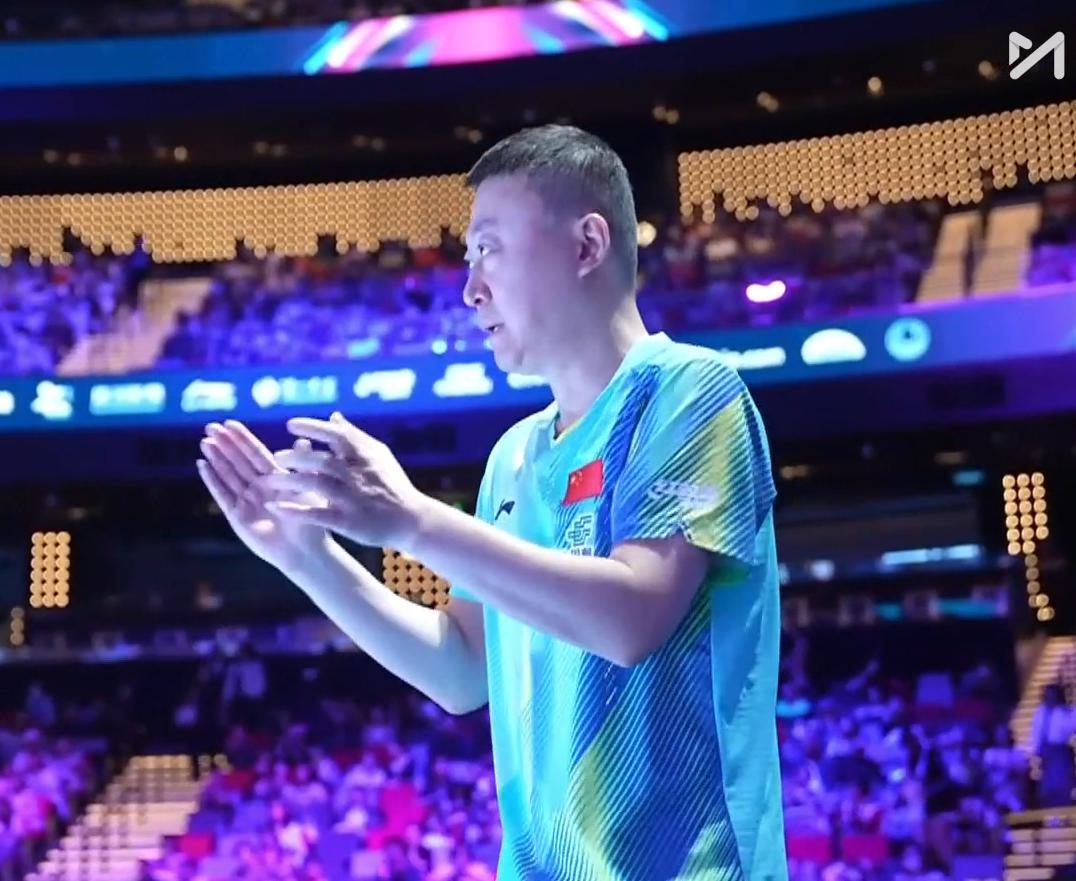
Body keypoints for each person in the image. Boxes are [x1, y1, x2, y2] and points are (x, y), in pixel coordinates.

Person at [196, 124, 785, 880]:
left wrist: (411, 518)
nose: (470, 288)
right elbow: (462, 670)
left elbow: (633, 618)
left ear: (586, 245)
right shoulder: (511, 457)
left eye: (490, 250)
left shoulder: (691, 391)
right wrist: (308, 560)